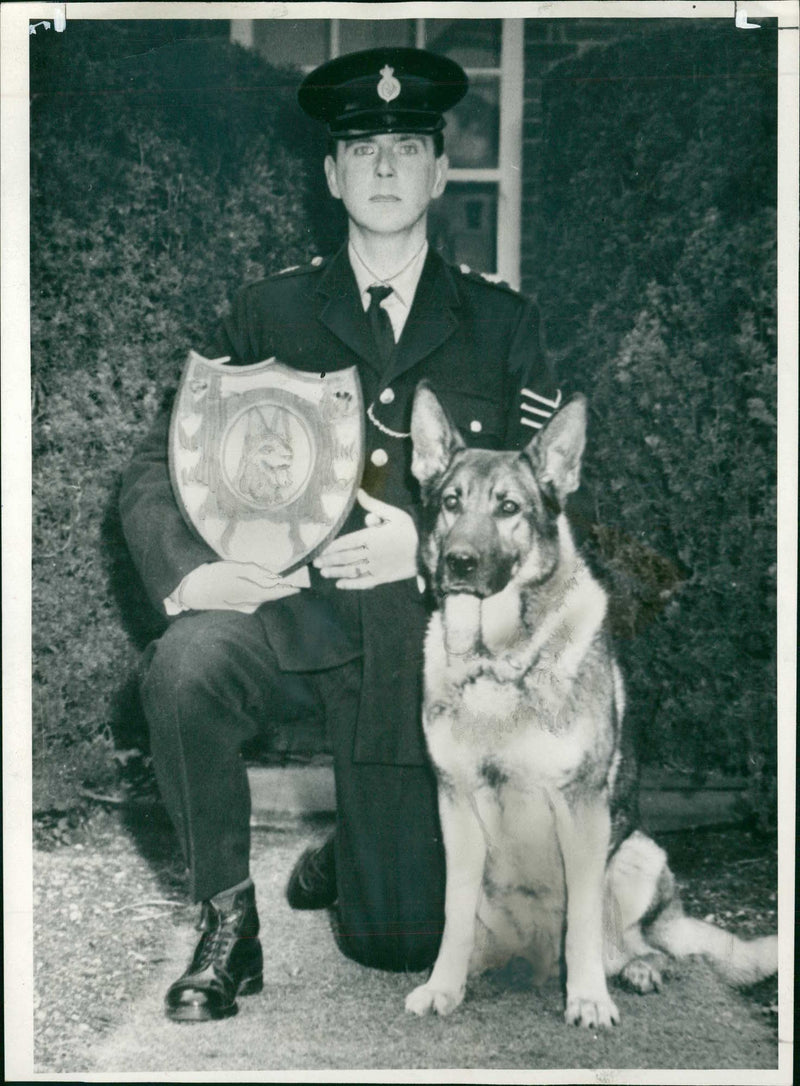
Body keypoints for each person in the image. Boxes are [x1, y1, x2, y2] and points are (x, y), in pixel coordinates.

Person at [119, 46, 561, 1023]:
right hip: (289, 615)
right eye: (363, 150)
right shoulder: (265, 311)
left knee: (392, 943)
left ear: (441, 172)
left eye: (409, 146)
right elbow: (156, 469)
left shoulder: (502, 324)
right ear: (331, 174)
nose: (387, 168)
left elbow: (557, 522)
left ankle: (352, 851)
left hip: (423, 647)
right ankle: (227, 926)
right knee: (183, 668)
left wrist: (443, 560)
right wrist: (192, 580)